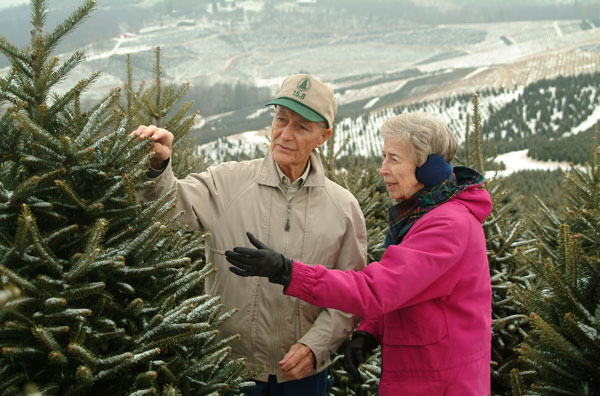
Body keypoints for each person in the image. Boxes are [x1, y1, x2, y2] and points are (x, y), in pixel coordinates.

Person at [132, 74, 367, 396]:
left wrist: (316, 346)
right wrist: (158, 167)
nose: (284, 134)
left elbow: (350, 295)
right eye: (280, 119)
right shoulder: (228, 183)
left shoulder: (343, 209)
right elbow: (168, 206)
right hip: (230, 368)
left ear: (322, 136)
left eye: (301, 127)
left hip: (303, 375)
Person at [226, 112, 493, 396]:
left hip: (440, 384)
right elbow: (409, 289)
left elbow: (377, 288)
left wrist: (287, 271)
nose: (383, 169)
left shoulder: (447, 226)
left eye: (393, 158)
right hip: (422, 376)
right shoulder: (424, 215)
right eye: (384, 156)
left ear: (430, 168)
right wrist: (370, 332)